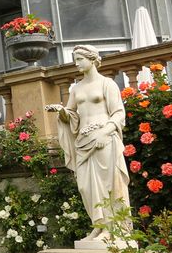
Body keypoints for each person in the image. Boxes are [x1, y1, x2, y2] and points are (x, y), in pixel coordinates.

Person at [45, 45, 132, 242]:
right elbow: (72, 116)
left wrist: (105, 133)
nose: (77, 63)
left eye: (80, 59)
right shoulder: (76, 88)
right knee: (86, 187)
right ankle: (98, 226)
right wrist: (61, 112)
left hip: (104, 139)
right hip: (83, 141)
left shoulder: (107, 84)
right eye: (75, 59)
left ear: (92, 59)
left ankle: (113, 229)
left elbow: (118, 113)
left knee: (109, 185)